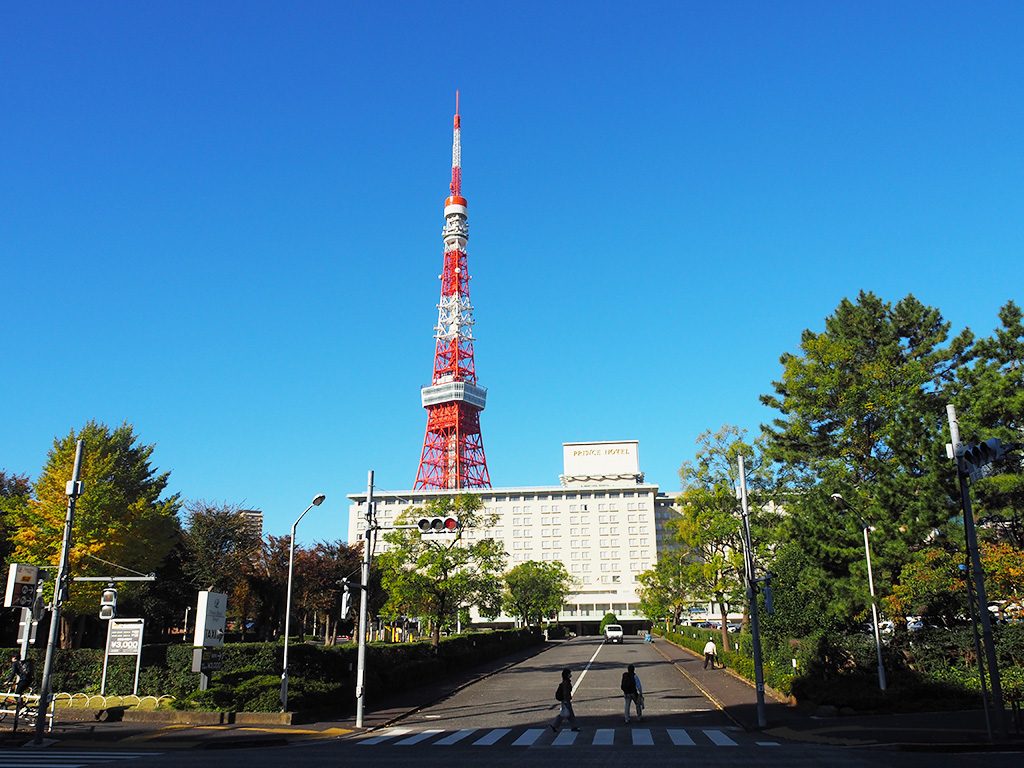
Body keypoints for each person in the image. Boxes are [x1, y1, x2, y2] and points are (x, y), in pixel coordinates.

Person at [550, 668, 580, 732]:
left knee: (565, 714)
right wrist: (567, 701)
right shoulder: (566, 683)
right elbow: (566, 692)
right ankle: (573, 727)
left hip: (565, 700)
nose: (570, 675)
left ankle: (554, 725)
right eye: (569, 674)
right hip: (566, 700)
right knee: (568, 714)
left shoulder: (565, 681)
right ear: (567, 675)